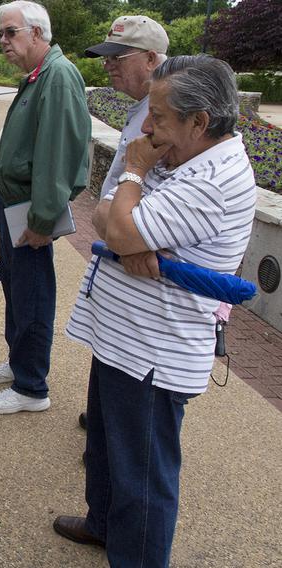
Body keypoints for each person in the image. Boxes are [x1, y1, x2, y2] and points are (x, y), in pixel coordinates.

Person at [55, 55, 257, 567]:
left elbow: (117, 225)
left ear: (199, 122)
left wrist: (134, 177)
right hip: (124, 337)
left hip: (153, 351)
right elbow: (103, 214)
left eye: (160, 117)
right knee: (104, 446)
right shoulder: (182, 157)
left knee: (142, 476)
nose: (146, 128)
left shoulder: (210, 178)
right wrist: (125, 226)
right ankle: (103, 524)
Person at [0, 0, 91, 414]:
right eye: (1, 34)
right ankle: (18, 362)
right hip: (14, 205)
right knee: (16, 287)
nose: (3, 41)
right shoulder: (38, 75)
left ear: (38, 34)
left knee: (33, 294)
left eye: (11, 32)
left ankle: (31, 387)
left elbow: (58, 154)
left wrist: (43, 220)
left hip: (31, 212)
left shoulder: (58, 77)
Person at [79, 15, 170, 430]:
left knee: (138, 424)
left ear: (152, 58)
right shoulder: (143, 110)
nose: (108, 64)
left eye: (119, 56)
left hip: (141, 270)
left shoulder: (170, 118)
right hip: (119, 251)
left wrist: (126, 237)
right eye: (106, 57)